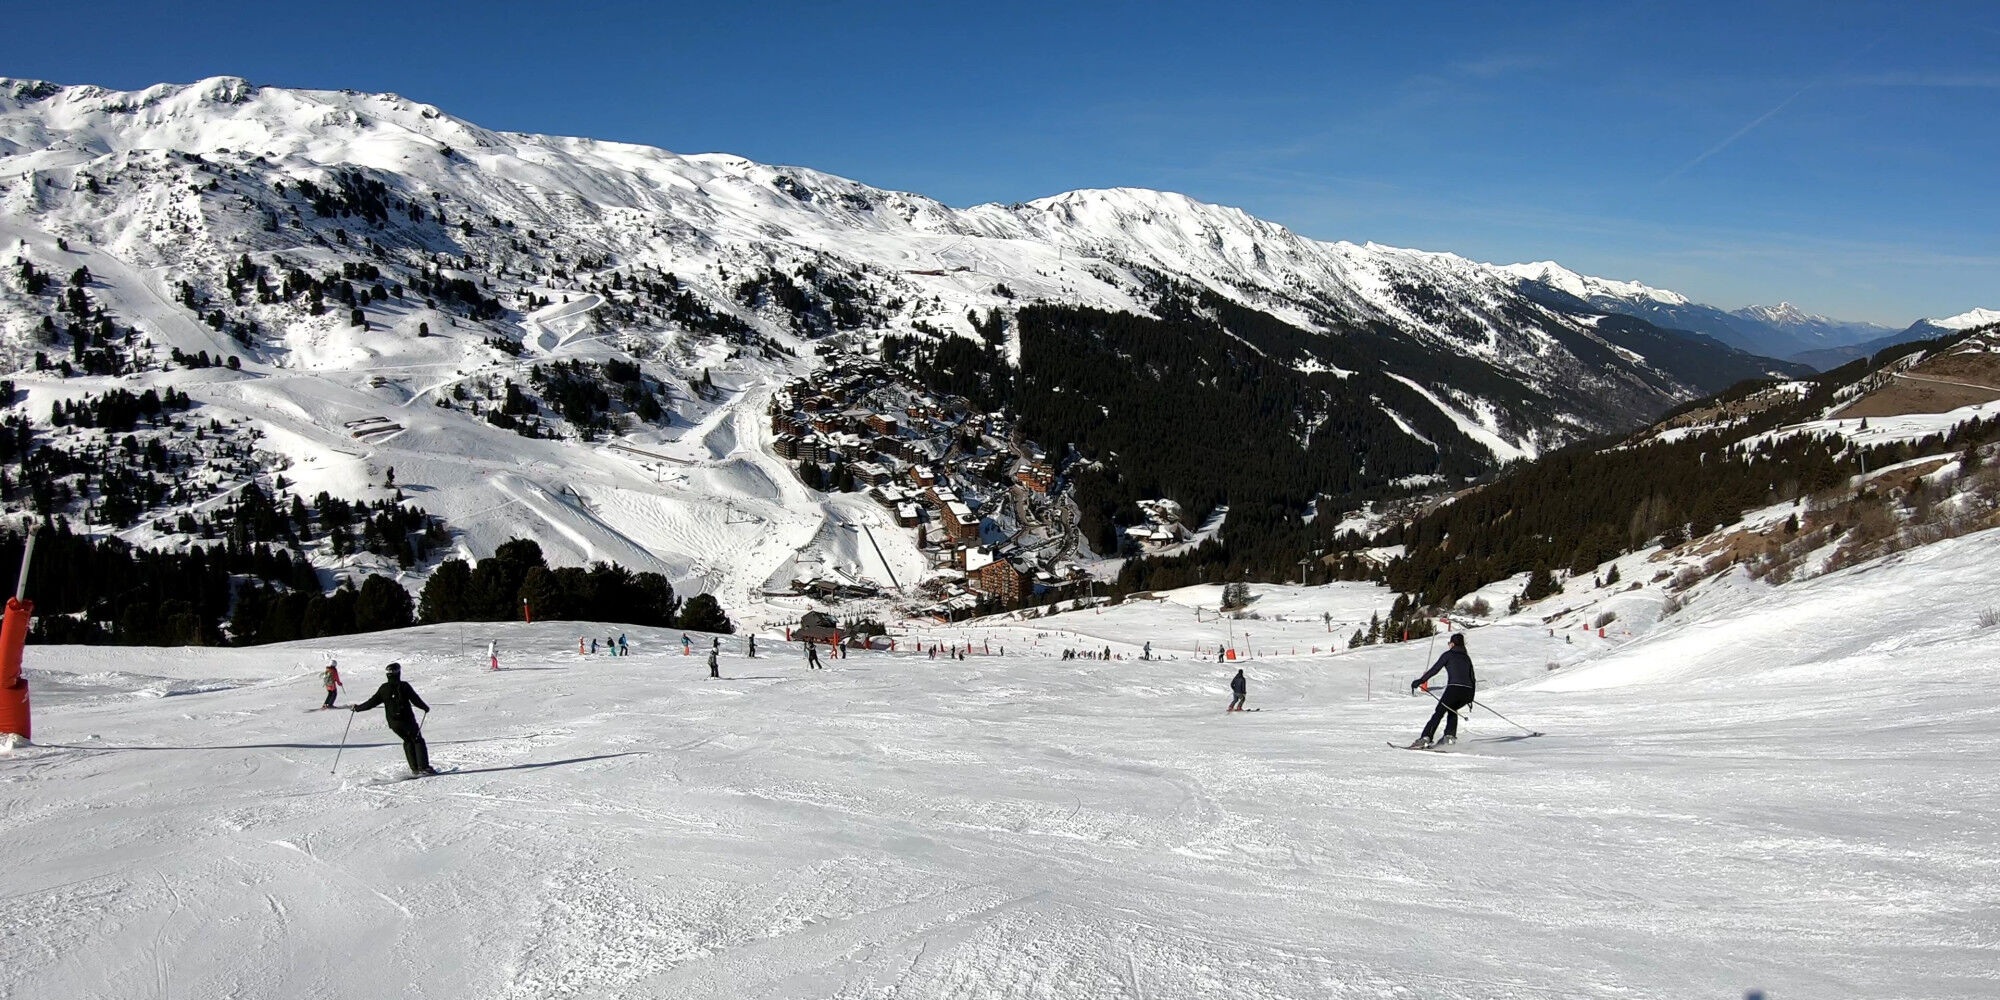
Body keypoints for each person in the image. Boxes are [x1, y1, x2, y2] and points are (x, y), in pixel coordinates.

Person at [352, 662, 435, 775]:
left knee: (408, 740)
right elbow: (415, 700)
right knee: (417, 740)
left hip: (393, 723)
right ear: (398, 673)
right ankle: (424, 768)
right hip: (407, 720)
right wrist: (425, 708)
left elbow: (371, 703)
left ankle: (415, 769)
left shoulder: (384, 688)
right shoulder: (404, 686)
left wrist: (358, 708)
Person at [1407, 632, 1477, 748]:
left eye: (1449, 643)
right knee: (1452, 709)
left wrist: (1420, 681)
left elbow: (1435, 669)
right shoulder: (1466, 658)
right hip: (1467, 691)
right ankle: (1449, 738)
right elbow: (1472, 678)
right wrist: (1471, 697)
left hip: (1454, 689)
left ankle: (1425, 738)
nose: (1449, 645)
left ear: (1453, 644)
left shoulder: (1448, 655)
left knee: (1439, 712)